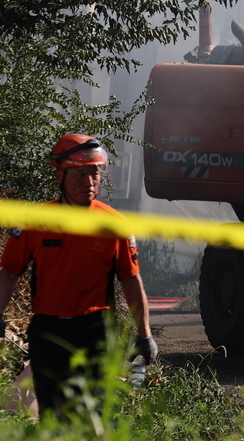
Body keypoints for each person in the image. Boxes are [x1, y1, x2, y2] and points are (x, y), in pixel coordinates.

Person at [0, 134, 157, 417]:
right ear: (60, 174)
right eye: (81, 174)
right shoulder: (36, 223)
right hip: (48, 330)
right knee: (52, 414)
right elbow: (9, 273)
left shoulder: (114, 225)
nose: (89, 182)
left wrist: (144, 335)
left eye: (95, 174)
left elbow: (131, 281)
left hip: (95, 331)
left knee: (89, 412)